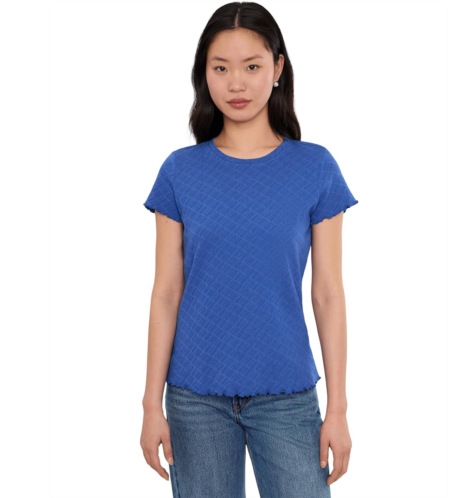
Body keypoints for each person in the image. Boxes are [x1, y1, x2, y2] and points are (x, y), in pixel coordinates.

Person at [140, 2, 358, 497]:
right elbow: (166, 293)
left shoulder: (315, 168)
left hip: (287, 394)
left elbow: (328, 293)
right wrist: (151, 404)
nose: (236, 83)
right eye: (220, 68)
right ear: (204, 74)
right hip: (194, 398)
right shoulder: (179, 172)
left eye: (252, 67)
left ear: (278, 68)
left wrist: (338, 408)